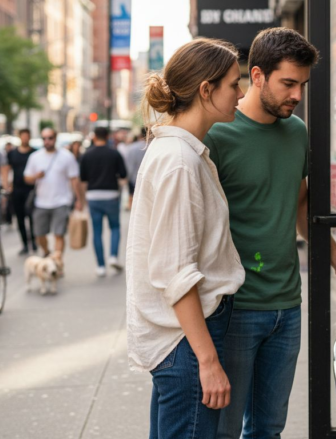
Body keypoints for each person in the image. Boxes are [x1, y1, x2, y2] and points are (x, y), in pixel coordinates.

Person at [205, 28, 336, 439]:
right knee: (222, 430)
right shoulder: (217, 135)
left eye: (303, 85)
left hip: (287, 306)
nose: (297, 94)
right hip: (234, 307)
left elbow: (300, 208)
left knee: (268, 429)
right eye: (288, 83)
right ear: (257, 76)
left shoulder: (297, 132)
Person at [125, 38, 245, 439]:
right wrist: (208, 361)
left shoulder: (180, 152)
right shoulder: (179, 161)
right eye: (234, 84)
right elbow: (175, 272)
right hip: (187, 341)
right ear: (206, 90)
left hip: (180, 341)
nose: (241, 92)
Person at [24, 128, 84, 259]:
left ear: (55, 138)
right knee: (39, 235)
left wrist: (79, 200)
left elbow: (74, 179)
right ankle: (46, 253)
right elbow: (26, 178)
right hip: (41, 202)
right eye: (44, 138)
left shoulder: (66, 156)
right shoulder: (35, 157)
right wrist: (35, 176)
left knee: (59, 234)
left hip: (61, 201)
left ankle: (57, 263)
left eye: (50, 138)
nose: (47, 141)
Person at [79, 126, 127, 277]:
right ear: (107, 137)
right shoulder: (114, 153)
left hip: (93, 196)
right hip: (111, 194)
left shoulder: (87, 155)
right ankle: (113, 255)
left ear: (94, 137)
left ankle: (100, 265)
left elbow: (83, 178)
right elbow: (123, 174)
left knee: (97, 231)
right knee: (115, 227)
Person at [8, 128, 38, 255]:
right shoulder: (12, 153)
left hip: (31, 190)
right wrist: (7, 186)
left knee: (32, 217)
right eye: (23, 136)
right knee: (20, 218)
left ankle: (34, 242)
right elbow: (7, 170)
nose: (25, 138)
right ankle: (25, 244)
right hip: (17, 189)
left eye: (27, 136)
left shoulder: (35, 153)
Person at [118, 127, 147, 210]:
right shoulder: (153, 147)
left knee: (133, 198)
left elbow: (129, 165)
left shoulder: (132, 148)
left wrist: (127, 177)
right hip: (149, 179)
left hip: (134, 178)